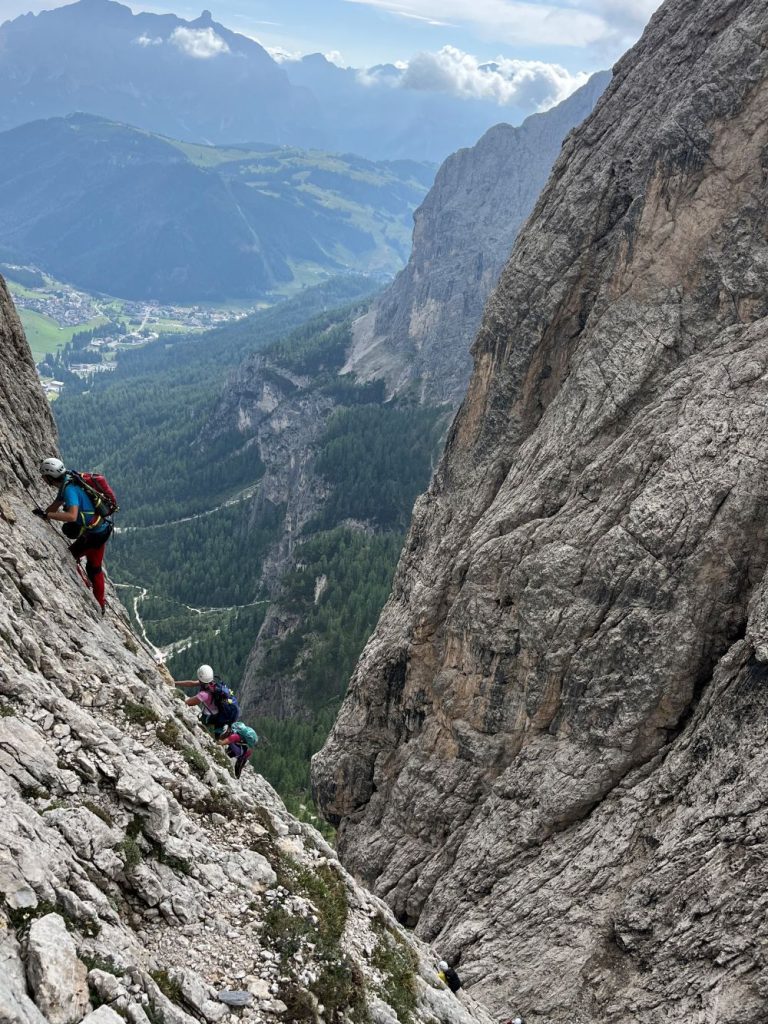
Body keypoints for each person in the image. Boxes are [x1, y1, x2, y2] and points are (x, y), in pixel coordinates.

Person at [35, 457, 113, 614]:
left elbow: (71, 515)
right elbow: (56, 504)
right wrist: (45, 513)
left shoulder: (69, 490)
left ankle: (86, 587)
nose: (42, 478)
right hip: (101, 528)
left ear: (50, 477)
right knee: (94, 567)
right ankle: (100, 603)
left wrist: (49, 515)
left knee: (71, 557)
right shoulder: (68, 481)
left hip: (94, 534)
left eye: (44, 475)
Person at [173, 664, 239, 736]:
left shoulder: (204, 694)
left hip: (210, 716)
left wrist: (175, 699)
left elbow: (188, 702)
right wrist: (175, 683)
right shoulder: (212, 684)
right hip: (217, 712)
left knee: (200, 727)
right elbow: (191, 683)